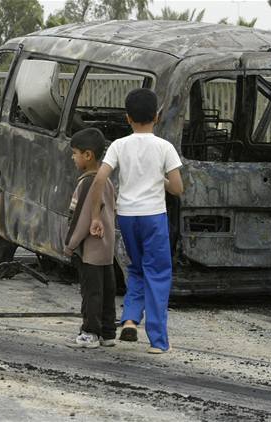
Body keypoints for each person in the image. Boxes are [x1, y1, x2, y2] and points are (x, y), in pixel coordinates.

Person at [88, 88, 184, 354]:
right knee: (158, 274)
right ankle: (158, 341)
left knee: (137, 269)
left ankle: (129, 319)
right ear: (157, 116)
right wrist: (160, 179)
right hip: (153, 217)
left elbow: (99, 179)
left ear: (128, 118)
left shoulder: (119, 145)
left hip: (127, 217)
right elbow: (177, 188)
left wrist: (95, 216)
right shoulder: (165, 147)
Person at [64, 128, 117, 349]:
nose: (73, 157)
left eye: (75, 153)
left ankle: (89, 333)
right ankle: (107, 332)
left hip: (90, 250)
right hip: (106, 249)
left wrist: (70, 245)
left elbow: (81, 219)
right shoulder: (107, 182)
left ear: (88, 155)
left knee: (91, 292)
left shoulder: (87, 183)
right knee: (106, 291)